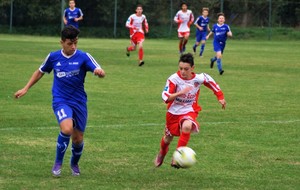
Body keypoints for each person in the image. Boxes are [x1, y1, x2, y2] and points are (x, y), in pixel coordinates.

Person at [14, 25, 105, 177]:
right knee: (67, 129)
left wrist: (99, 72)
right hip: (61, 100)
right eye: (70, 43)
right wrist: (25, 88)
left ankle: (74, 163)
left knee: (78, 139)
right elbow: (40, 72)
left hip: (79, 102)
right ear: (61, 42)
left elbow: (99, 70)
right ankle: (58, 163)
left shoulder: (83, 56)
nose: (73, 46)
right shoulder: (53, 57)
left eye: (76, 42)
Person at [154, 53, 226, 168]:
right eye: (181, 68)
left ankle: (177, 156)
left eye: (186, 69)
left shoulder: (198, 78)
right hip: (173, 113)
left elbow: (212, 82)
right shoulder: (173, 79)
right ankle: (162, 152)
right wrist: (180, 93)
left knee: (187, 126)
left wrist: (220, 97)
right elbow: (165, 97)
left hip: (189, 110)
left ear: (192, 68)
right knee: (167, 139)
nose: (183, 71)